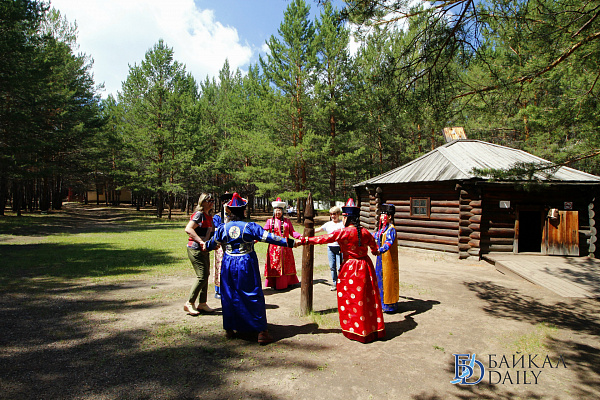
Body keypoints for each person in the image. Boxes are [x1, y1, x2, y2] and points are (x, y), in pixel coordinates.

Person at [203, 193, 297, 344]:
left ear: (230, 211)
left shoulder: (223, 228)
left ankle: (229, 328)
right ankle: (261, 332)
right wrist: (290, 242)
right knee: (252, 293)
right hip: (246, 263)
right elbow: (269, 237)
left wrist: (206, 245)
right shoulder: (250, 227)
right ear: (244, 211)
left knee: (229, 294)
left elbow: (211, 244)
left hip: (228, 264)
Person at [297, 198, 385, 343]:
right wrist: (377, 251)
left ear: (347, 218)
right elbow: (375, 249)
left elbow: (324, 238)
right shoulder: (365, 232)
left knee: (351, 298)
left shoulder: (343, 232)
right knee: (366, 298)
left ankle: (354, 329)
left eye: (343, 217)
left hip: (350, 268)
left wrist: (305, 240)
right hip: (366, 267)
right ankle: (370, 329)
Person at [184, 193, 216, 315]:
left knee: (205, 275)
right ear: (202, 202)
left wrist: (213, 244)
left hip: (204, 250)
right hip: (195, 249)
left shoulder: (209, 216)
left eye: (213, 200)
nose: (211, 203)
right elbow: (188, 229)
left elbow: (211, 233)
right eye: (209, 200)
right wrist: (201, 241)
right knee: (202, 276)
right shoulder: (199, 215)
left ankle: (202, 304)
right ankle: (189, 303)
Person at [264, 197, 302, 290]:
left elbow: (292, 232)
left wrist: (300, 236)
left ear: (282, 211)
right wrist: (254, 239)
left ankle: (289, 282)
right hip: (273, 249)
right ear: (274, 211)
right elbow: (263, 232)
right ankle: (274, 283)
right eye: (276, 211)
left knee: (287, 265)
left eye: (279, 211)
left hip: (286, 247)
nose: (278, 212)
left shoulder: (287, 221)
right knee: (274, 265)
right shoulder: (270, 221)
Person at [374, 204, 400, 313]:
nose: (381, 217)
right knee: (379, 279)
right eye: (381, 215)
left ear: (389, 216)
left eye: (383, 215)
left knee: (388, 281)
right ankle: (381, 303)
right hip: (381, 260)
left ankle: (389, 306)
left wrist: (380, 250)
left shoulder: (391, 229)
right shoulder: (383, 229)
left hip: (388, 260)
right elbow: (375, 235)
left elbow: (388, 242)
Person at [315, 206, 345, 291]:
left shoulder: (342, 224)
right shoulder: (328, 224)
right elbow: (319, 229)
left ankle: (341, 283)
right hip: (330, 248)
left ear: (338, 214)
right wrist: (308, 232)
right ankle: (335, 283)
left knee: (340, 267)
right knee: (332, 267)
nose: (332, 216)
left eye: (334, 214)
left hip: (340, 248)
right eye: (331, 214)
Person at [212, 192, 233, 300]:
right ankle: (219, 289)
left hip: (232, 245)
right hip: (220, 245)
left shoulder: (235, 216)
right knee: (220, 266)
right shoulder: (217, 217)